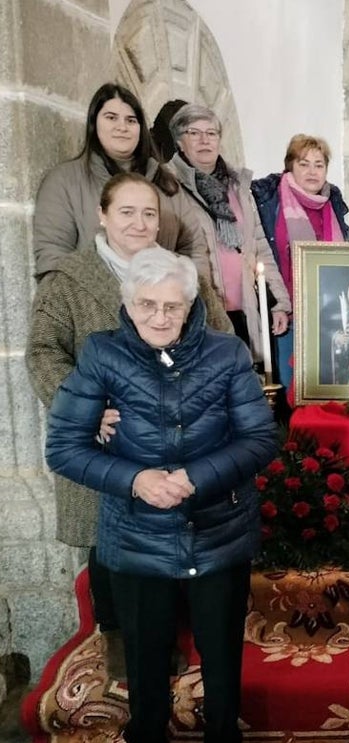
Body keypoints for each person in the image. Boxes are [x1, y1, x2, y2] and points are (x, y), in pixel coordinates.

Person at [43, 248, 277, 743]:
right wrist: (136, 480)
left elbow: (261, 438)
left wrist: (195, 476)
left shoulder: (226, 354)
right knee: (146, 655)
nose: (159, 317)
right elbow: (64, 447)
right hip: (135, 536)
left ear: (191, 305)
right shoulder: (101, 354)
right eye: (147, 304)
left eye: (172, 306)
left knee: (220, 652)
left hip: (217, 529)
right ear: (128, 302)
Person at [26, 171, 236, 683]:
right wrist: (84, 409)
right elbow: (42, 351)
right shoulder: (69, 279)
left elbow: (222, 338)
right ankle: (123, 647)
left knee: (179, 531)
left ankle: (176, 635)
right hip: (109, 439)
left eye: (149, 213)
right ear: (101, 215)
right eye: (127, 212)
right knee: (113, 544)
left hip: (183, 435)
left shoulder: (184, 274)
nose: (140, 222)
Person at [33, 84, 219, 302]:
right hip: (97, 314)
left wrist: (187, 299)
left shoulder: (166, 182)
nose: (122, 127)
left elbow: (193, 247)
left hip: (165, 314)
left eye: (131, 120)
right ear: (94, 123)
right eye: (111, 118)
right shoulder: (63, 181)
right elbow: (53, 257)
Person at [167, 103, 290, 359]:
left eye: (211, 133)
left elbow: (259, 246)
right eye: (194, 133)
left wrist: (279, 302)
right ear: (180, 142)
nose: (204, 140)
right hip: (202, 308)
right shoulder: (169, 187)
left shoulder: (237, 187)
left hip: (245, 307)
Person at [251, 134, 349, 387]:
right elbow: (261, 252)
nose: (312, 171)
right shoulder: (268, 200)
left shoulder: (335, 203)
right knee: (287, 385)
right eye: (304, 163)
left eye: (319, 164)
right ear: (290, 166)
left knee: (325, 387)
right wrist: (277, 305)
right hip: (287, 314)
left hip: (328, 319)